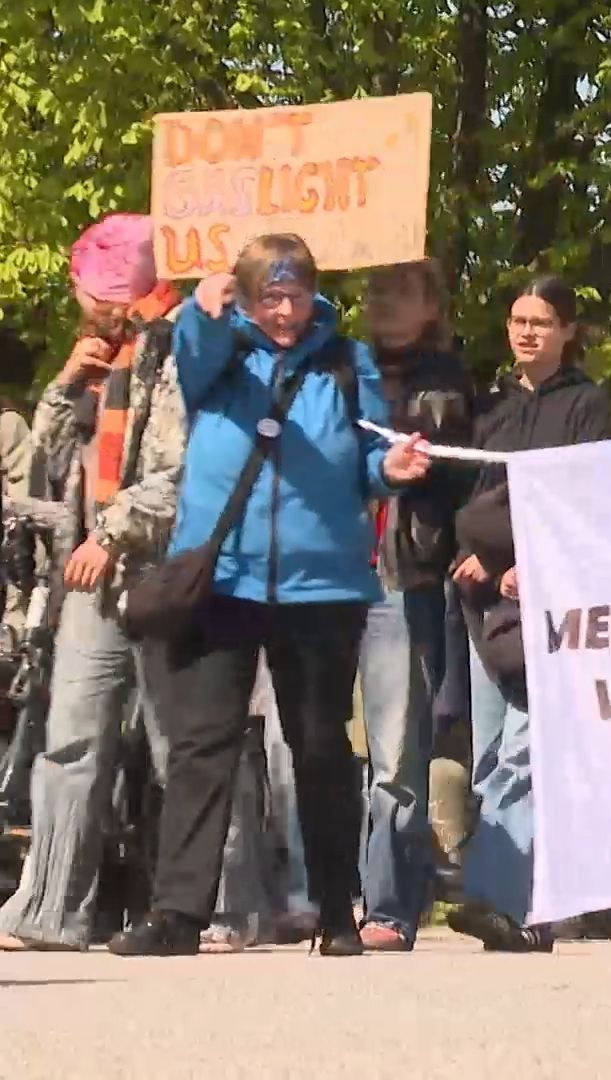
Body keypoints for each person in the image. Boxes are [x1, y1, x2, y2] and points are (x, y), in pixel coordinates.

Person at [109, 234, 431, 958]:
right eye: (269, 297)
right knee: (201, 746)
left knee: (319, 748)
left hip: (324, 588)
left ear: (315, 293)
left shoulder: (349, 363)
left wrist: (395, 466)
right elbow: (191, 358)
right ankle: (179, 914)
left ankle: (333, 914)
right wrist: (204, 309)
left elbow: (371, 455)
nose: (284, 311)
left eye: (296, 296)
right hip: (223, 579)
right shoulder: (221, 356)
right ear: (250, 299)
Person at [0, 214, 187, 951]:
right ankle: (51, 906)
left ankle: (214, 905)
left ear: (115, 288)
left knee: (181, 747)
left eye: (86, 289)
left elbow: (181, 471)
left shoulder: (174, 348)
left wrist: (113, 534)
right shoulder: (104, 358)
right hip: (88, 580)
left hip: (159, 568)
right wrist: (67, 382)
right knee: (71, 741)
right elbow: (47, 460)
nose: (80, 304)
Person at [447, 275, 611, 953]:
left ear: (568, 331)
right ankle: (524, 909)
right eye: (518, 319)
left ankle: (497, 895)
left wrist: (527, 566)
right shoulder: (488, 409)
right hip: (482, 607)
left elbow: (584, 505)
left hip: (547, 606)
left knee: (524, 753)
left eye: (541, 322)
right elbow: (470, 494)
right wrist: (475, 559)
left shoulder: (588, 409)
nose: (526, 332)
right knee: (494, 759)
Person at [355, 260, 475, 951]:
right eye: (374, 290)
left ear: (430, 303)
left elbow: (435, 458)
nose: (381, 302)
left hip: (404, 577)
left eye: (399, 290)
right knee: (303, 748)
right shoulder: (342, 369)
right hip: (331, 575)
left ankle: (391, 905)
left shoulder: (445, 382)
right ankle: (312, 896)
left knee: (398, 754)